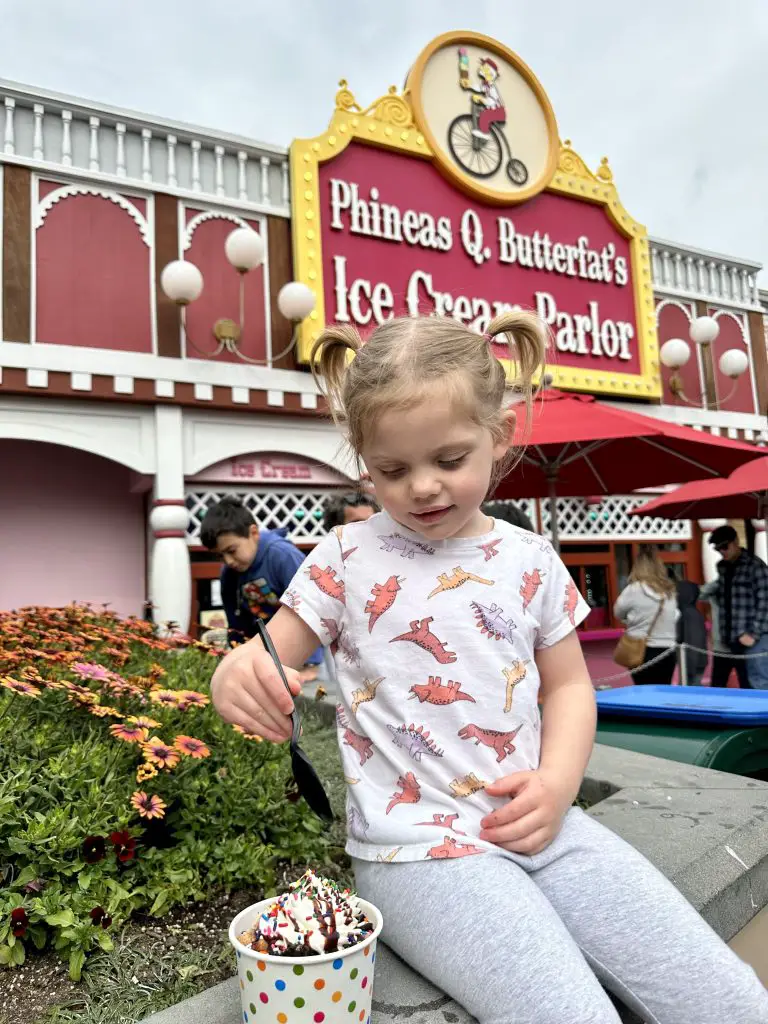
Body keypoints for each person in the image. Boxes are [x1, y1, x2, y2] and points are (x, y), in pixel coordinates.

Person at [210, 313, 768, 1024]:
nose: (421, 488)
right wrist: (234, 676)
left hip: (548, 828)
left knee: (729, 999)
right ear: (363, 458)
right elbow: (261, 658)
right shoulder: (344, 558)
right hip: (418, 856)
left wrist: (559, 783)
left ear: (498, 436)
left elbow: (569, 686)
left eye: (448, 460)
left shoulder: (530, 558)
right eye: (392, 470)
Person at [200, 496, 323, 679]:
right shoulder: (228, 575)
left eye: (231, 551)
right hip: (266, 660)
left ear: (253, 532)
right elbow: (236, 626)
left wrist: (311, 662)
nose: (228, 561)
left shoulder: (283, 556)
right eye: (220, 556)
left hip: (308, 658)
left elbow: (311, 608)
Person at [708, 524, 768, 689]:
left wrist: (753, 634)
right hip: (726, 639)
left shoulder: (755, 566)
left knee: (754, 685)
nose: (722, 551)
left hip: (749, 638)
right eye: (718, 548)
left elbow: (765, 602)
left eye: (725, 547)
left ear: (735, 542)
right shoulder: (722, 567)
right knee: (717, 686)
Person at [613, 546, 678, 685]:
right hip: (668, 650)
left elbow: (617, 612)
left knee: (642, 692)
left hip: (641, 650)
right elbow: (676, 615)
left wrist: (631, 620)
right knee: (663, 691)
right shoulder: (669, 591)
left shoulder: (634, 589)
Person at [676, 580, 708, 686]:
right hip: (692, 662)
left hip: (692, 664)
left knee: (692, 691)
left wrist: (690, 668)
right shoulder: (689, 612)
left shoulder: (689, 614)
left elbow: (694, 641)